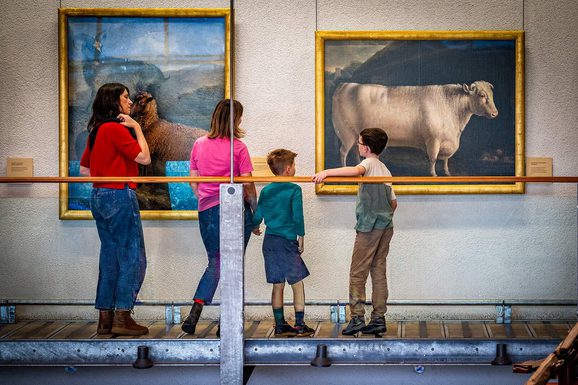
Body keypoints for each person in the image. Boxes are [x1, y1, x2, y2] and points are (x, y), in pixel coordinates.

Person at [79, 83, 151, 336]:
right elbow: (144, 158)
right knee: (133, 257)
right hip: (120, 194)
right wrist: (137, 127)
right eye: (125, 97)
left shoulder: (96, 131)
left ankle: (105, 319)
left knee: (109, 257)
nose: (130, 102)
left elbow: (84, 170)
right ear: (114, 102)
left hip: (99, 195)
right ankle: (123, 315)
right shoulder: (116, 129)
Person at [182, 99, 257, 335]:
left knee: (216, 261)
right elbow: (248, 186)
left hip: (207, 209)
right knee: (232, 265)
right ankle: (227, 321)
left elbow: (194, 180)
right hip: (233, 209)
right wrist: (254, 213)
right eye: (240, 118)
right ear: (235, 120)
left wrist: (205, 197)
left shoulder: (199, 144)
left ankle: (195, 314)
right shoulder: (239, 147)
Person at [312, 128, 397, 335]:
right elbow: (393, 204)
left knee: (357, 272)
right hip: (386, 226)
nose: (358, 146)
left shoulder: (368, 164)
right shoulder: (385, 169)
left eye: (359, 143)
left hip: (369, 226)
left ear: (366, 148)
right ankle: (378, 318)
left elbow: (355, 171)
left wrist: (326, 173)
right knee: (378, 271)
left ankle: (357, 317)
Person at [252, 149, 315, 337]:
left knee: (277, 284)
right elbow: (298, 216)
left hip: (270, 242)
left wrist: (255, 226)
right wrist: (301, 237)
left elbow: (259, 214)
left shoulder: (266, 190)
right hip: (287, 242)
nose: (295, 168)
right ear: (288, 169)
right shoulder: (294, 189)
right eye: (294, 165)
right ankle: (300, 324)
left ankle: (280, 324)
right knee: (297, 284)